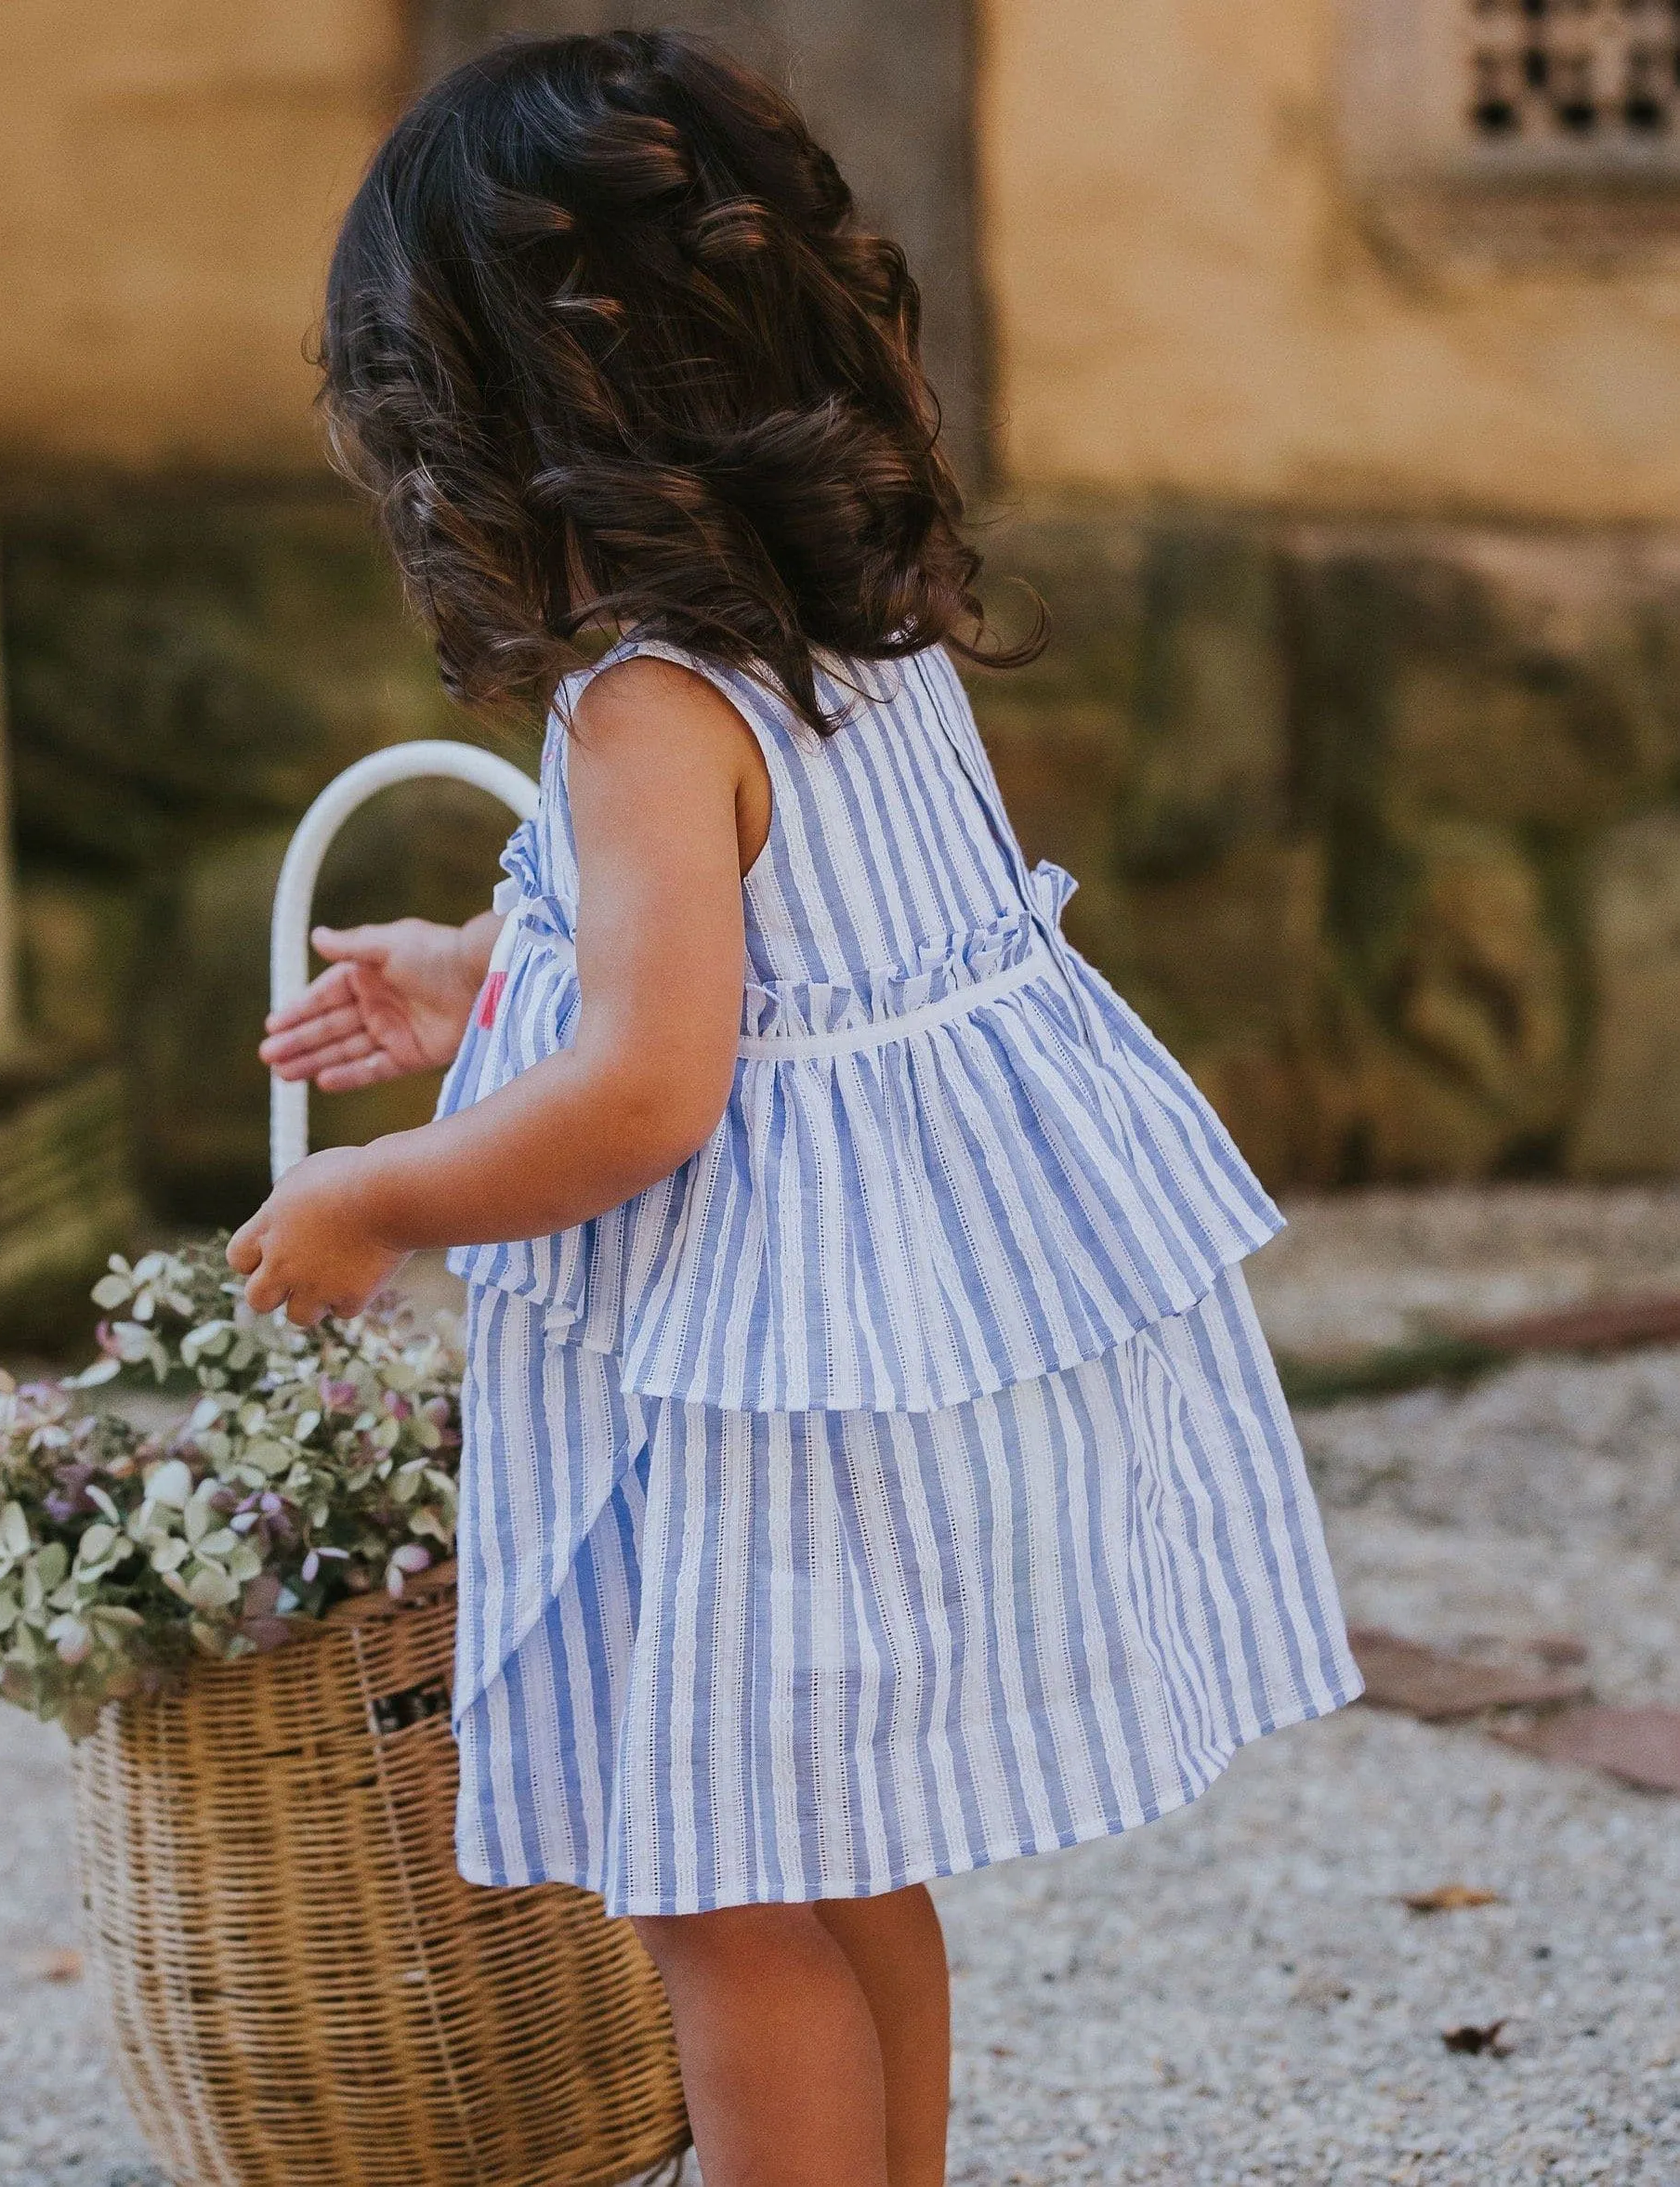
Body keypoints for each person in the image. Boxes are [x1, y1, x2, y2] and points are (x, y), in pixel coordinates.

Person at [231, 31, 1361, 2187]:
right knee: (843, 1860)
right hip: (865, 1370)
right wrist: (479, 978)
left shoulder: (646, 700)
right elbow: (784, 978)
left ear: (483, 413)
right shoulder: (862, 630)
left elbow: (657, 1087)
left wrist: (386, 1191)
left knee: (718, 1887)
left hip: (755, 1409)